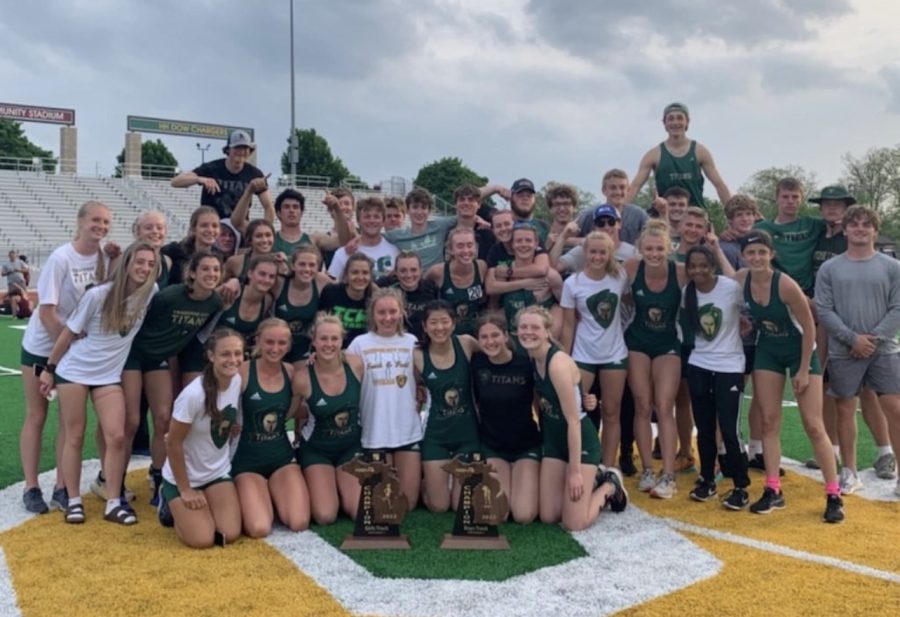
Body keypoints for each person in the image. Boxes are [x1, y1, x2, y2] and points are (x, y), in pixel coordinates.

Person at [38, 243, 158, 525]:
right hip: (74, 371)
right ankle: (74, 500)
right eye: (139, 262)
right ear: (127, 264)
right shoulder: (98, 295)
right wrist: (49, 370)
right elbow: (68, 334)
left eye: (150, 264)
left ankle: (114, 501)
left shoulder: (150, 293)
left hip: (108, 376)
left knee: (116, 436)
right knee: (75, 435)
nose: (144, 268)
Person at [735, 231, 843, 523]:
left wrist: (805, 369)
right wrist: (742, 320)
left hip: (800, 351)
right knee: (768, 420)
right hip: (768, 349)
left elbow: (809, 327)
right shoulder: (741, 279)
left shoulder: (785, 284)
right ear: (744, 256)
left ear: (771, 254)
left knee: (813, 424)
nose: (756, 258)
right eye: (750, 253)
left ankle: (833, 494)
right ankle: (773, 489)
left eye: (761, 252)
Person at [19, 200, 111, 514]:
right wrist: (63, 350)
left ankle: (61, 485)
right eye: (96, 220)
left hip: (70, 348)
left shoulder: (102, 257)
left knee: (68, 423)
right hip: (45, 346)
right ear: (81, 221)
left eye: (106, 222)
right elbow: (46, 313)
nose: (101, 226)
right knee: (37, 415)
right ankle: (31, 487)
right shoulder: (61, 258)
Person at [123, 251, 225, 506]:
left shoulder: (214, 302)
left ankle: (158, 478)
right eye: (206, 269)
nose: (211, 275)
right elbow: (140, 323)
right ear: (192, 273)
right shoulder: (169, 296)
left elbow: (195, 337)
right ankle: (111, 479)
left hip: (160, 359)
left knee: (163, 419)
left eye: (216, 270)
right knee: (131, 421)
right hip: (133, 355)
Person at [517, 306, 628, 531]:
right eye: (523, 327)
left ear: (548, 331)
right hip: (554, 441)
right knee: (548, 515)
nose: (528, 332)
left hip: (580, 440)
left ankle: (609, 485)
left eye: (535, 327)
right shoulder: (531, 357)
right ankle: (593, 477)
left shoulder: (556, 364)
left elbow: (574, 420)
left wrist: (575, 471)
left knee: (573, 523)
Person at [816, 206, 900, 499]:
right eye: (855, 224)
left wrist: (873, 339)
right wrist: (852, 339)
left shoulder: (892, 267)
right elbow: (824, 309)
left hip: (884, 349)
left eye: (867, 225)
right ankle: (849, 471)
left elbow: (898, 307)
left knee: (895, 409)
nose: (860, 229)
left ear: (875, 230)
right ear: (846, 230)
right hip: (844, 351)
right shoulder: (830, 268)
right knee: (845, 408)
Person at [680, 245, 751, 509]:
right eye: (693, 266)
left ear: (712, 266)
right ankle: (707, 479)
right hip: (699, 364)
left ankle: (741, 486)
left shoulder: (730, 288)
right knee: (705, 427)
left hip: (730, 365)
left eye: (703, 265)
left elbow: (749, 304)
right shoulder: (687, 292)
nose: (698, 270)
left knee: (730, 429)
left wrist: (746, 323)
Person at [161, 329, 244, 548]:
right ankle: (169, 502)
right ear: (211, 356)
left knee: (229, 534)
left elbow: (221, 415)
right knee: (202, 540)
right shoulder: (193, 395)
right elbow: (172, 442)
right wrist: (185, 490)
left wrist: (229, 426)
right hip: (185, 477)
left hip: (216, 471)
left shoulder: (236, 379)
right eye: (226, 354)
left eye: (238, 353)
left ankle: (204, 503)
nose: (233, 360)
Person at [623, 220, 688, 498]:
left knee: (664, 405)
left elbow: (712, 285)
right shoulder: (631, 267)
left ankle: (669, 474)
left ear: (669, 248)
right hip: (637, 341)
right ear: (640, 249)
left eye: (659, 248)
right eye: (648, 248)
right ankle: (648, 469)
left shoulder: (681, 272)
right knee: (642, 404)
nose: (654, 253)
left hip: (668, 343)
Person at [229, 319, 310, 537]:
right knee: (259, 528)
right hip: (247, 462)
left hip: (281, 458)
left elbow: (293, 412)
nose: (275, 349)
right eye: (270, 342)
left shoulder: (291, 372)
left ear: (289, 345)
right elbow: (220, 409)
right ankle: (259, 491)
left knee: (299, 522)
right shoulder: (243, 372)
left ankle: (272, 491)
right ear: (258, 341)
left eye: (282, 343)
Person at [560, 232, 629, 470]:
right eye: (593, 252)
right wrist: (566, 359)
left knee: (611, 411)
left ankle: (608, 467)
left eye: (603, 252)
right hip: (583, 354)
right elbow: (569, 324)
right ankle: (581, 461)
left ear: (610, 254)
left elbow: (630, 300)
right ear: (585, 253)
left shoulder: (619, 276)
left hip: (614, 354)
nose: (598, 256)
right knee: (576, 411)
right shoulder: (573, 283)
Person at [347, 288, 422, 508]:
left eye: (392, 311)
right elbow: (334, 367)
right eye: (381, 312)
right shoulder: (359, 344)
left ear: (402, 312)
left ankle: (428, 480)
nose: (387, 318)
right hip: (374, 432)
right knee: (384, 503)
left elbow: (421, 378)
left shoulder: (412, 342)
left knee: (407, 503)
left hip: (407, 430)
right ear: (372, 314)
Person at [471, 315, 542, 523]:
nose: (490, 341)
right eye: (484, 337)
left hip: (525, 446)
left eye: (495, 335)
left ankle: (523, 476)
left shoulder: (525, 363)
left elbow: (541, 402)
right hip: (493, 447)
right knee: (498, 514)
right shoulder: (476, 364)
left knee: (524, 515)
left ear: (506, 336)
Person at [414, 300, 482, 512]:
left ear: (454, 323)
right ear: (424, 326)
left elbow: (496, 356)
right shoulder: (417, 355)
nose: (439, 327)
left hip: (468, 435)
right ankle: (428, 483)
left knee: (462, 506)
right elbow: (414, 390)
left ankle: (451, 480)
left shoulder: (466, 343)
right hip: (437, 437)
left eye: (445, 321)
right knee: (439, 506)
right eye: (433, 322)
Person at [296, 315, 364, 524]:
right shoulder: (302, 377)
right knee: (325, 515)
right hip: (317, 450)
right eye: (323, 339)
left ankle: (340, 487)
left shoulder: (356, 365)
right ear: (314, 341)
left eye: (334, 339)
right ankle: (322, 485)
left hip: (350, 447)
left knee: (359, 511)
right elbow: (289, 412)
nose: (329, 344)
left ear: (342, 340)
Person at [626, 102, 731, 210]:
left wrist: (733, 213)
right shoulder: (653, 155)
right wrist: (617, 213)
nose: (675, 122)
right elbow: (635, 187)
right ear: (664, 123)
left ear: (687, 121)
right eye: (671, 119)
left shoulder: (700, 152)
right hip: (665, 217)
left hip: (694, 218)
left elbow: (719, 185)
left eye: (680, 118)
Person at [171, 129, 272, 221]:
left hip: (239, 226)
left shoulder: (254, 173)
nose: (241, 152)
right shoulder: (211, 168)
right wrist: (199, 179)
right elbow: (175, 182)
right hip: (212, 225)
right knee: (189, 239)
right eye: (237, 147)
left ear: (250, 151)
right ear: (228, 150)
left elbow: (268, 206)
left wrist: (268, 231)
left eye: (245, 148)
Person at [231, 188, 355, 261]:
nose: (291, 210)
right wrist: (248, 191)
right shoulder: (268, 238)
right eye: (286, 207)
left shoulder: (314, 239)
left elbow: (344, 241)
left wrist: (337, 209)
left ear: (301, 213)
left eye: (296, 207)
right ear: (278, 213)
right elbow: (237, 223)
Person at [486, 223, 562, 338]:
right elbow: (494, 306)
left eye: (528, 240)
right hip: (512, 340)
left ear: (536, 244)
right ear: (512, 244)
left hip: (541, 341)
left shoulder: (550, 276)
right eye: (519, 240)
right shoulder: (503, 273)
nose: (523, 244)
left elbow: (566, 307)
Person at [752, 177, 824, 296]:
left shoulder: (813, 224)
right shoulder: (762, 228)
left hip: (809, 290)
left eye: (795, 197)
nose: (790, 201)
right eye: (785, 197)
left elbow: (840, 224)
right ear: (777, 199)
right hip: (777, 290)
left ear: (801, 199)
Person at [274, 245, 332, 364]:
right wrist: (236, 282)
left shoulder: (322, 281)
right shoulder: (279, 283)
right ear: (293, 266)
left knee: (300, 376)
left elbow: (347, 289)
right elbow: (256, 279)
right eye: (302, 264)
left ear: (318, 268)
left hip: (305, 347)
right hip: (278, 345)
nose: (307, 269)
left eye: (312, 265)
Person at [425, 227, 488, 336]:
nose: (466, 251)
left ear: (476, 247)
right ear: (450, 249)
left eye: (470, 245)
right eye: (460, 246)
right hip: (448, 335)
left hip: (476, 334)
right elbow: (419, 291)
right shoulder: (438, 272)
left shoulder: (481, 267)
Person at [383, 188, 457, 270]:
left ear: (429, 211)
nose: (419, 212)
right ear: (408, 210)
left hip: (436, 280)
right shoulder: (396, 235)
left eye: (424, 207)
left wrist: (474, 217)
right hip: (411, 280)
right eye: (415, 207)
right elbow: (371, 236)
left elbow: (464, 217)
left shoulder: (440, 225)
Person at [327, 197, 400, 279]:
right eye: (367, 217)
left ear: (383, 221)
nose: (372, 221)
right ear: (358, 221)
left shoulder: (395, 251)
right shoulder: (343, 253)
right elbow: (331, 285)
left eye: (376, 217)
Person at [552, 205, 638, 274]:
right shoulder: (584, 251)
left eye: (611, 222)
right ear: (594, 227)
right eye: (600, 223)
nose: (606, 227)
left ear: (619, 224)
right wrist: (563, 237)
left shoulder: (633, 253)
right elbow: (553, 267)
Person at [376, 250, 438, 341]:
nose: (409, 275)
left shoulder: (431, 288)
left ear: (421, 271)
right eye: (403, 271)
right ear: (395, 272)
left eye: (413, 270)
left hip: (424, 343)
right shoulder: (385, 287)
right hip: (395, 343)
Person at [575, 169, 649, 245]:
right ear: (604, 190)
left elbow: (657, 236)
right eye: (613, 188)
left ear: (628, 189)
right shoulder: (590, 214)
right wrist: (589, 241)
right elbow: (567, 238)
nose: (618, 192)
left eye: (622, 187)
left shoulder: (638, 215)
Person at [319, 253, 377, 347]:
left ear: (370, 276)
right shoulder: (331, 292)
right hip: (333, 349)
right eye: (355, 272)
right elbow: (319, 325)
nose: (360, 277)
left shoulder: (374, 298)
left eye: (365, 273)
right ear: (346, 275)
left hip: (363, 351)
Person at [160, 206, 222, 286]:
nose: (210, 230)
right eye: (204, 225)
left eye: (215, 226)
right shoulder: (173, 251)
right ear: (193, 229)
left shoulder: (220, 257)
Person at [482, 178, 550, 246]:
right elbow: (473, 199)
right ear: (511, 197)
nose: (525, 198)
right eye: (520, 195)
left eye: (529, 196)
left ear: (535, 199)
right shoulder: (498, 220)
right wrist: (495, 188)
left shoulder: (544, 227)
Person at [544, 184, 581, 255]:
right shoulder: (542, 235)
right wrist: (546, 246)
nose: (562, 209)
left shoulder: (583, 232)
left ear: (574, 207)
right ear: (550, 209)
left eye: (566, 204)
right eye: (557, 204)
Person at [3, 249, 29, 316]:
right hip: (11, 284)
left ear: (15, 256)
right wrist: (9, 272)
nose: (12, 257)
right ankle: (14, 313)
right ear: (9, 256)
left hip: (21, 282)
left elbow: (27, 270)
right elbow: (2, 274)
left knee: (25, 296)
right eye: (11, 255)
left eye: (13, 255)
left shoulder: (20, 262)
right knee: (12, 297)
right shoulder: (6, 264)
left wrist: (18, 270)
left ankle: (26, 311)